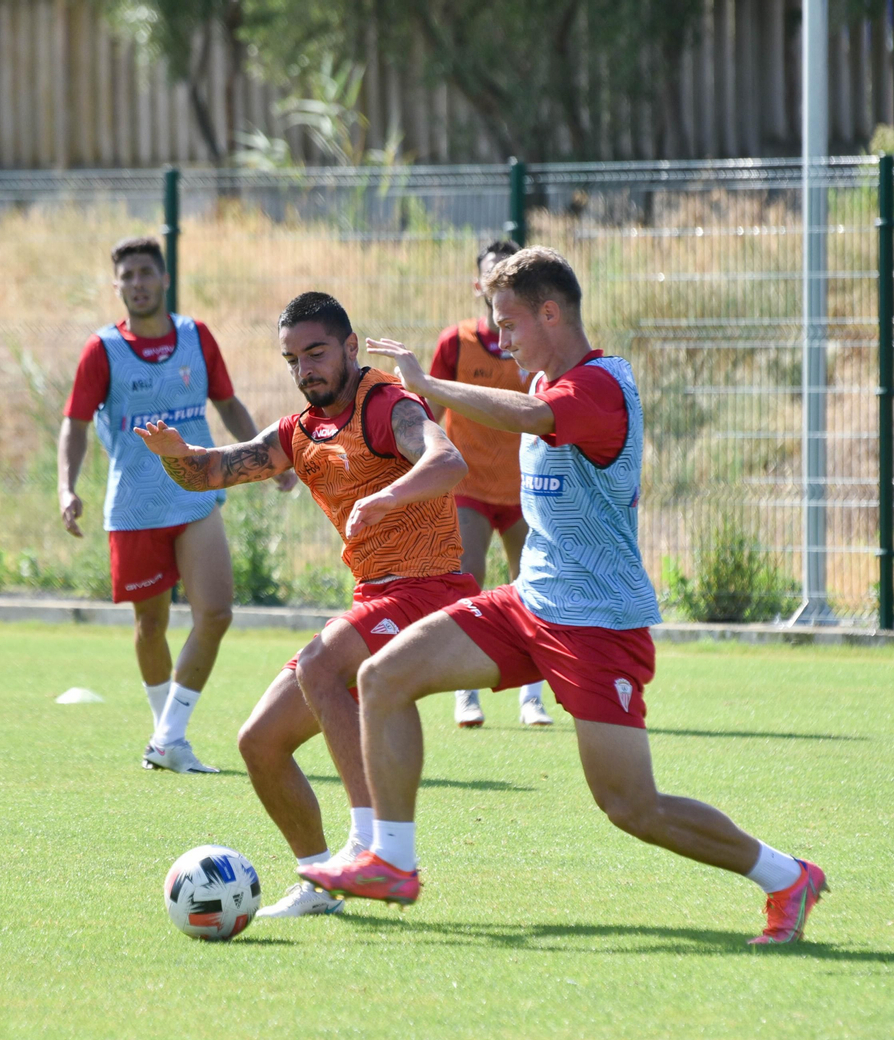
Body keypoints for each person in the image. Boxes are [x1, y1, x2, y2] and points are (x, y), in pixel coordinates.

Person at [299, 249, 828, 945]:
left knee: (630, 806)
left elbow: (530, 416)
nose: (501, 339)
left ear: (551, 312)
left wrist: (434, 386)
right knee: (382, 674)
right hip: (529, 604)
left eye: (510, 323)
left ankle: (786, 876)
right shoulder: (549, 380)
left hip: (596, 624)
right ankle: (391, 860)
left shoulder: (597, 387)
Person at [137, 291, 475, 918]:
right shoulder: (300, 432)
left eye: (316, 353)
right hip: (374, 598)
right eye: (292, 359)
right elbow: (210, 472)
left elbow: (447, 459)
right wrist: (175, 458)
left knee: (321, 665)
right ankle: (324, 881)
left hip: (428, 589)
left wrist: (386, 498)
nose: (305, 369)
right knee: (259, 742)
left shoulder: (386, 404)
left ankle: (373, 844)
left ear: (351, 346)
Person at [58, 236, 295, 774]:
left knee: (216, 612)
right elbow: (73, 425)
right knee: (151, 626)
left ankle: (168, 737)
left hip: (194, 495)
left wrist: (268, 459)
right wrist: (65, 487)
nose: (137, 283)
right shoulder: (102, 350)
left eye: (146, 272)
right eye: (128, 275)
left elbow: (228, 403)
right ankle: (168, 738)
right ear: (117, 285)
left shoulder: (195, 337)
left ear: (164, 279)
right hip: (136, 506)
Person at [432, 239, 550, 728]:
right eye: (490, 271)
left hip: (526, 491)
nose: (496, 278)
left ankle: (532, 698)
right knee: (468, 583)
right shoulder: (455, 342)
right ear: (478, 283)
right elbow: (427, 412)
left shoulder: (535, 345)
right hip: (469, 488)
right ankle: (466, 693)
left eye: (508, 271)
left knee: (533, 587)